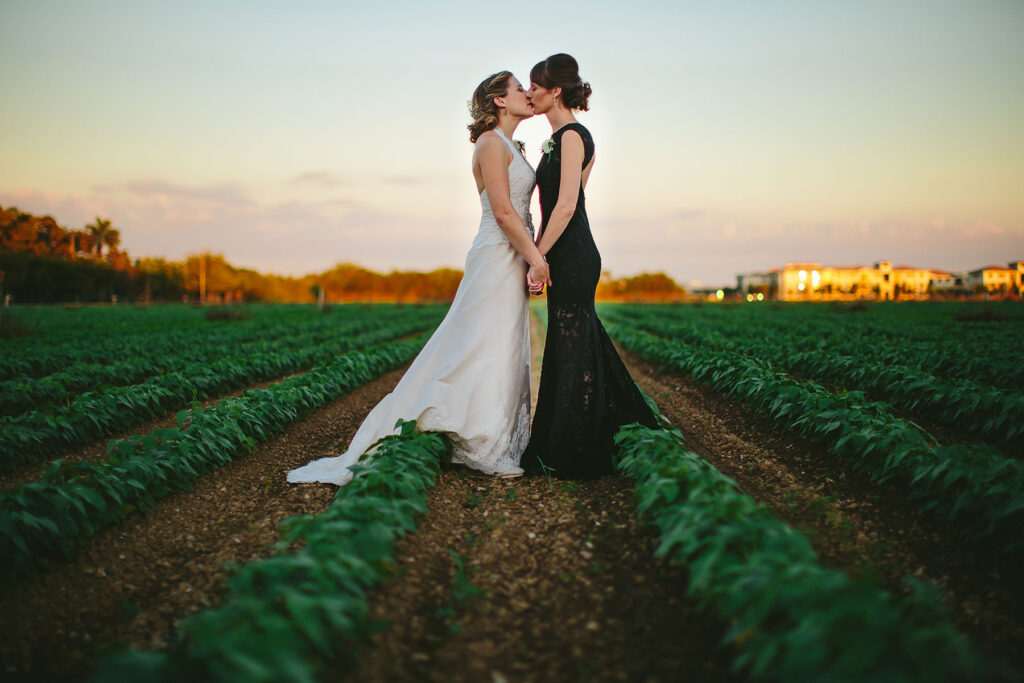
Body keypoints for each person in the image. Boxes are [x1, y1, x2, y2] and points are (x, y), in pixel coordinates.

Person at [288, 71, 546, 486]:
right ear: (499, 100)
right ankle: (483, 445)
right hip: (499, 251)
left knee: (501, 342)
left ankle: (494, 439)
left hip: (510, 254)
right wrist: (537, 258)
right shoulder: (489, 144)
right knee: (478, 342)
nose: (527, 94)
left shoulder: (509, 145)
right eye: (518, 88)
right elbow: (502, 211)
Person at [522, 53, 660, 479]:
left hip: (572, 251)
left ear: (555, 91)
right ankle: (586, 435)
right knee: (576, 342)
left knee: (571, 342)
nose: (529, 94)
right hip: (569, 249)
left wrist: (538, 257)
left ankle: (575, 448)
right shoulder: (564, 137)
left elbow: (566, 208)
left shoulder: (571, 137)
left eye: (535, 87)